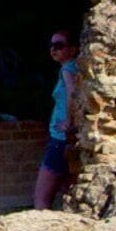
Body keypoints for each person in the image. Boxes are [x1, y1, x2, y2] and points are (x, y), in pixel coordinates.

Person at [33, 30, 81, 211]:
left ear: (72, 49)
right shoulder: (76, 68)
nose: (53, 49)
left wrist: (68, 120)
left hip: (60, 139)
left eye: (59, 46)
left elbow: (71, 93)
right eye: (51, 46)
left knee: (41, 197)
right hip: (65, 138)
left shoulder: (67, 70)